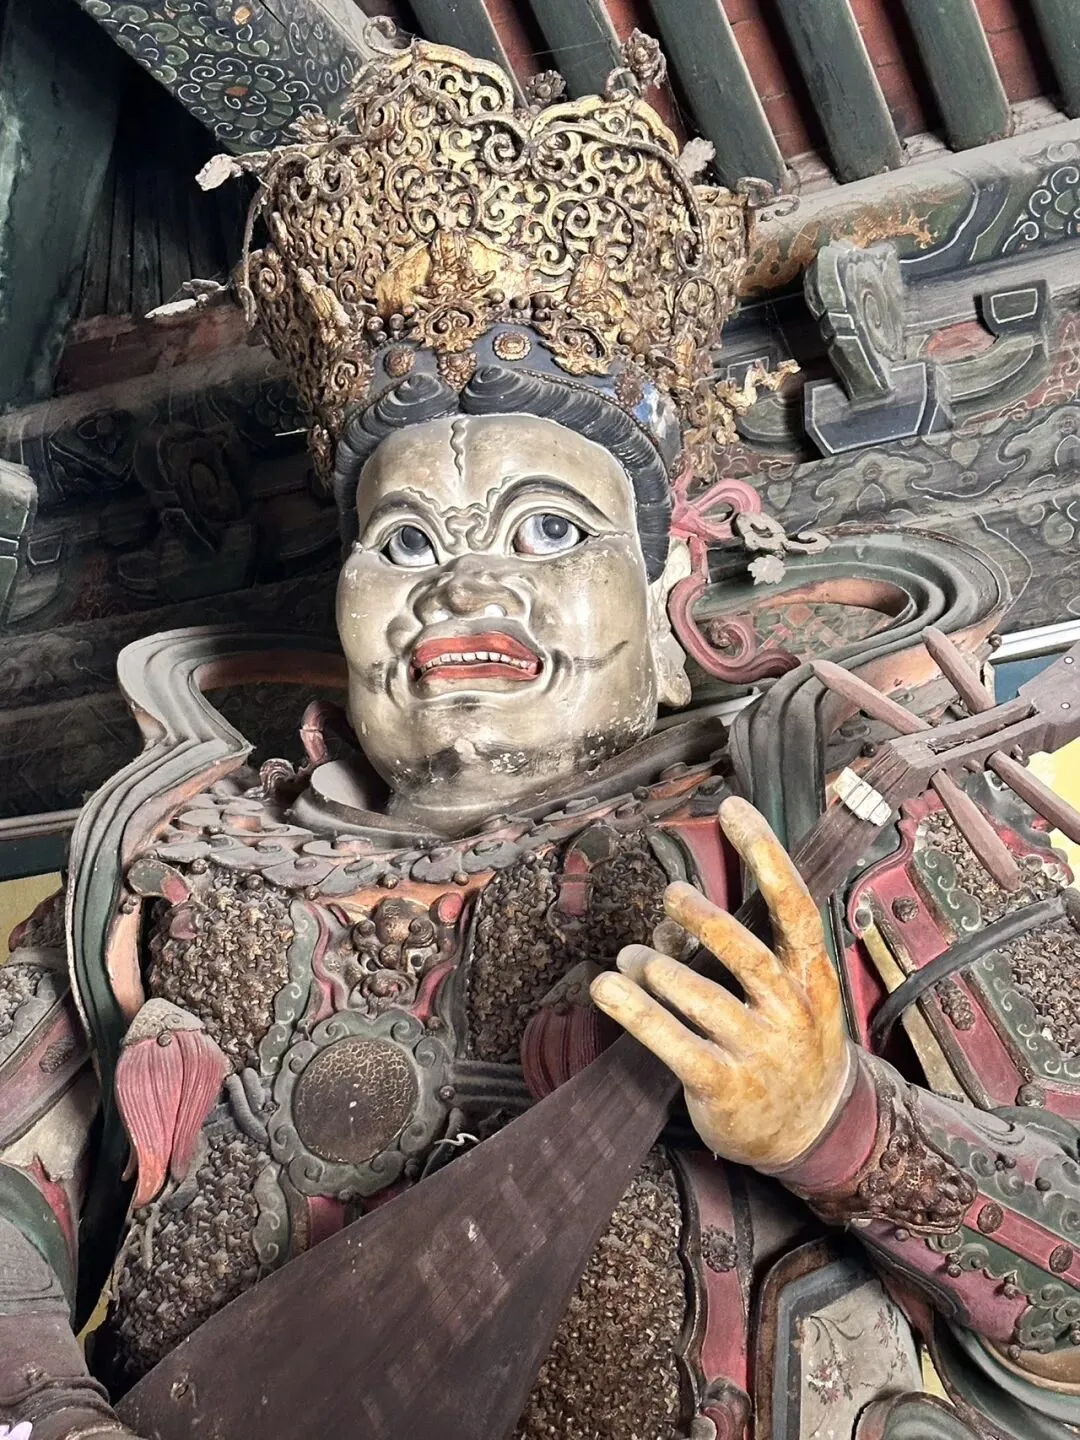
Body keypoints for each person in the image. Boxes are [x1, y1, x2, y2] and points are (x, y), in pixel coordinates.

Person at [3, 30, 1080, 1440]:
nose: (463, 587)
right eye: (405, 543)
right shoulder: (177, 856)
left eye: (551, 530)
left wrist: (834, 1126)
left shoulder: (833, 807)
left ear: (665, 584)